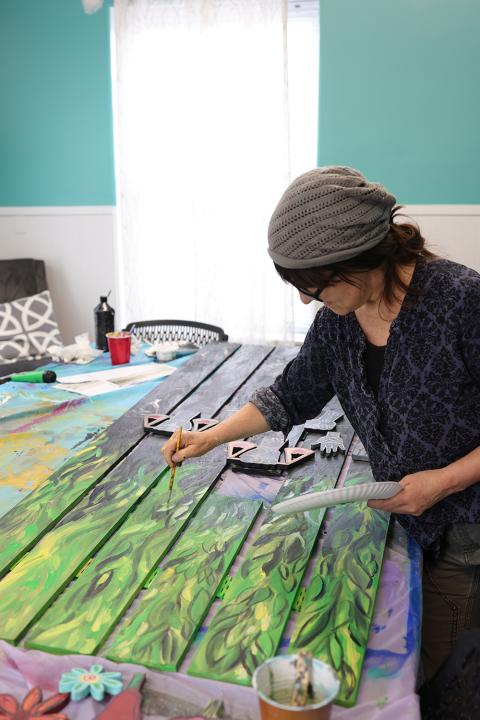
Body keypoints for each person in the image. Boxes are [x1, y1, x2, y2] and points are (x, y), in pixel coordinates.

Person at [161, 166, 480, 681]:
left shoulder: (461, 300)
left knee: (437, 673)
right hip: (407, 519)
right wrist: (210, 436)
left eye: (313, 283)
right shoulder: (337, 317)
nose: (306, 298)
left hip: (466, 533)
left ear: (360, 258)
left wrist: (442, 482)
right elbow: (292, 394)